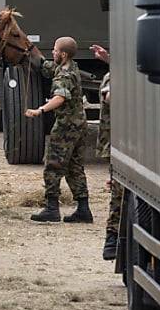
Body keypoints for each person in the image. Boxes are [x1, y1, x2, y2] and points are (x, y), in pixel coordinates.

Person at [26, 37, 91, 223]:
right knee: (75, 167)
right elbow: (46, 67)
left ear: (63, 54)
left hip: (65, 127)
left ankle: (51, 208)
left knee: (53, 166)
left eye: (55, 50)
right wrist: (31, 51)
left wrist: (40, 110)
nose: (52, 52)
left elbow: (60, 98)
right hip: (80, 124)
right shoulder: (72, 67)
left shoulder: (63, 75)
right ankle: (83, 209)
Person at [91, 45, 123, 260]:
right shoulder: (114, 76)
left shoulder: (118, 76)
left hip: (121, 145)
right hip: (116, 144)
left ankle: (113, 238)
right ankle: (112, 238)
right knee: (117, 193)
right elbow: (108, 97)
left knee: (118, 193)